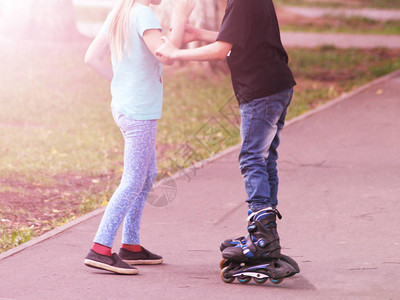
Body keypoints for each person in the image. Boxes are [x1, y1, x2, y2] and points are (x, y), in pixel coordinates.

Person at [156, 0, 300, 281]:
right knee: (265, 159)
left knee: (252, 159)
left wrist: (177, 52)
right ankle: (263, 233)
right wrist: (199, 34)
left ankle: (262, 238)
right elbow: (240, 38)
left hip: (262, 91)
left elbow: (223, 49)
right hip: (275, 85)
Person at [83, 0, 195, 275]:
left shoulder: (120, 12)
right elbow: (166, 56)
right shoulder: (143, 13)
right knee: (134, 179)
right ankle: (100, 248)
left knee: (146, 175)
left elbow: (92, 58)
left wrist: (120, 84)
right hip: (139, 112)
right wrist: (180, 16)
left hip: (125, 106)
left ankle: (131, 245)